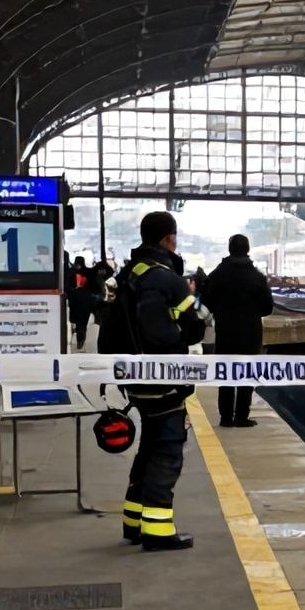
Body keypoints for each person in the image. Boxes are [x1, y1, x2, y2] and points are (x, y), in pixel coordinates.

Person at [99, 212, 205, 552]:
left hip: (132, 378)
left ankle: (133, 521)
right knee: (168, 449)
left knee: (149, 444)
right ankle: (158, 531)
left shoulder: (128, 274)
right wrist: (181, 334)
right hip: (163, 380)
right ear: (168, 239)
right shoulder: (168, 279)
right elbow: (193, 327)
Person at [200, 234, 274, 428]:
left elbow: (206, 303)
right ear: (247, 250)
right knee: (246, 373)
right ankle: (241, 416)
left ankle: (225, 417)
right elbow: (267, 308)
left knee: (226, 373)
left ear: (229, 249)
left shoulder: (217, 274)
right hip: (250, 333)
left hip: (225, 332)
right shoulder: (257, 277)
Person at [66, 255, 93, 349]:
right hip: (83, 301)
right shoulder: (87, 272)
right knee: (81, 324)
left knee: (79, 323)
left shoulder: (71, 272)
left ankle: (80, 341)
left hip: (78, 301)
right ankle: (80, 341)